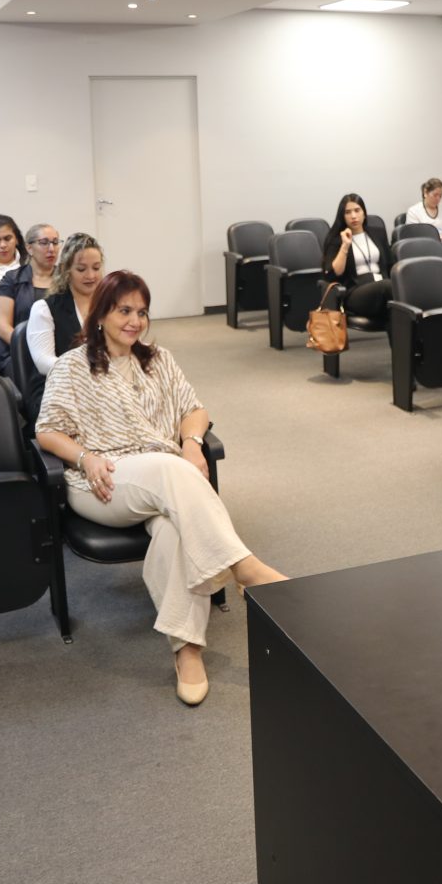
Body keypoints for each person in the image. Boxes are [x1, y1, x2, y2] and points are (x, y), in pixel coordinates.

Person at [34, 271, 287, 706]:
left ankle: (187, 650)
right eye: (124, 311)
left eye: (142, 312)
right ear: (100, 315)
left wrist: (191, 443)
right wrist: (86, 457)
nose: (135, 321)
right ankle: (246, 569)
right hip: (104, 481)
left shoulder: (158, 359)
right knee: (172, 470)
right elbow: (47, 430)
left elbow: (194, 409)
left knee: (173, 528)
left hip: (166, 478)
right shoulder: (71, 365)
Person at [27, 232, 104, 376]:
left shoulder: (109, 306)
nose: (91, 276)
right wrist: (85, 370)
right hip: (58, 384)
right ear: (65, 270)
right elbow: (43, 362)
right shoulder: (44, 309)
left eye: (96, 268)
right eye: (81, 269)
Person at [0, 222, 59, 376]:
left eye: (55, 242)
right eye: (44, 243)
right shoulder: (12, 279)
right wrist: (32, 349)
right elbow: (1, 327)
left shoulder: (67, 279)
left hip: (58, 353)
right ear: (29, 248)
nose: (51, 248)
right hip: (19, 353)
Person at [320, 193, 391, 322]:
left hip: (381, 288)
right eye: (348, 212)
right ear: (342, 216)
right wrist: (345, 246)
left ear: (364, 213)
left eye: (357, 210)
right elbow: (334, 273)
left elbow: (390, 264)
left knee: (396, 302)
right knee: (389, 287)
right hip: (355, 293)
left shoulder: (378, 233)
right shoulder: (336, 239)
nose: (353, 216)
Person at [403, 177, 442, 243]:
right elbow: (414, 235)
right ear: (425, 192)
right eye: (435, 195)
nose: (438, 199)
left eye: (440, 196)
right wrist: (439, 237)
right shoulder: (413, 211)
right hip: (427, 245)